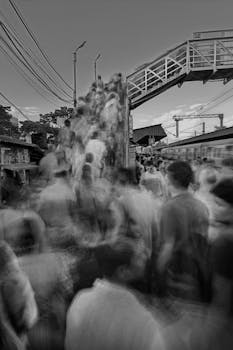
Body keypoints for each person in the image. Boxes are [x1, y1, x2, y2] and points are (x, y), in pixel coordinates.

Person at [65, 238, 166, 350]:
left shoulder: (80, 300)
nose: (145, 258)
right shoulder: (144, 321)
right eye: (138, 257)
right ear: (123, 272)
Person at [158, 161, 210, 302]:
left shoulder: (169, 207)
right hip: (198, 271)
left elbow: (168, 246)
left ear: (171, 179)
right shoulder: (202, 207)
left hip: (177, 271)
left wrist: (158, 273)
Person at [0, 241, 38, 350]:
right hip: (17, 333)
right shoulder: (16, 279)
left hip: (14, 334)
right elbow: (24, 319)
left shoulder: (10, 281)